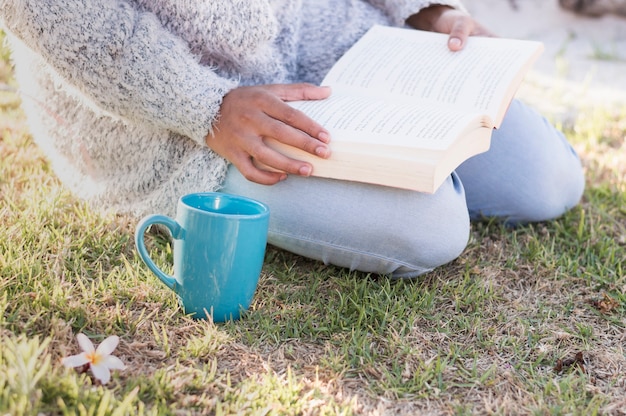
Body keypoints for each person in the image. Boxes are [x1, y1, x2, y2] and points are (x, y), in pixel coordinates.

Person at [0, 1, 584, 278]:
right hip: (177, 114)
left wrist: (423, 12)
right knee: (431, 229)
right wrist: (205, 109)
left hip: (333, 40)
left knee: (547, 181)